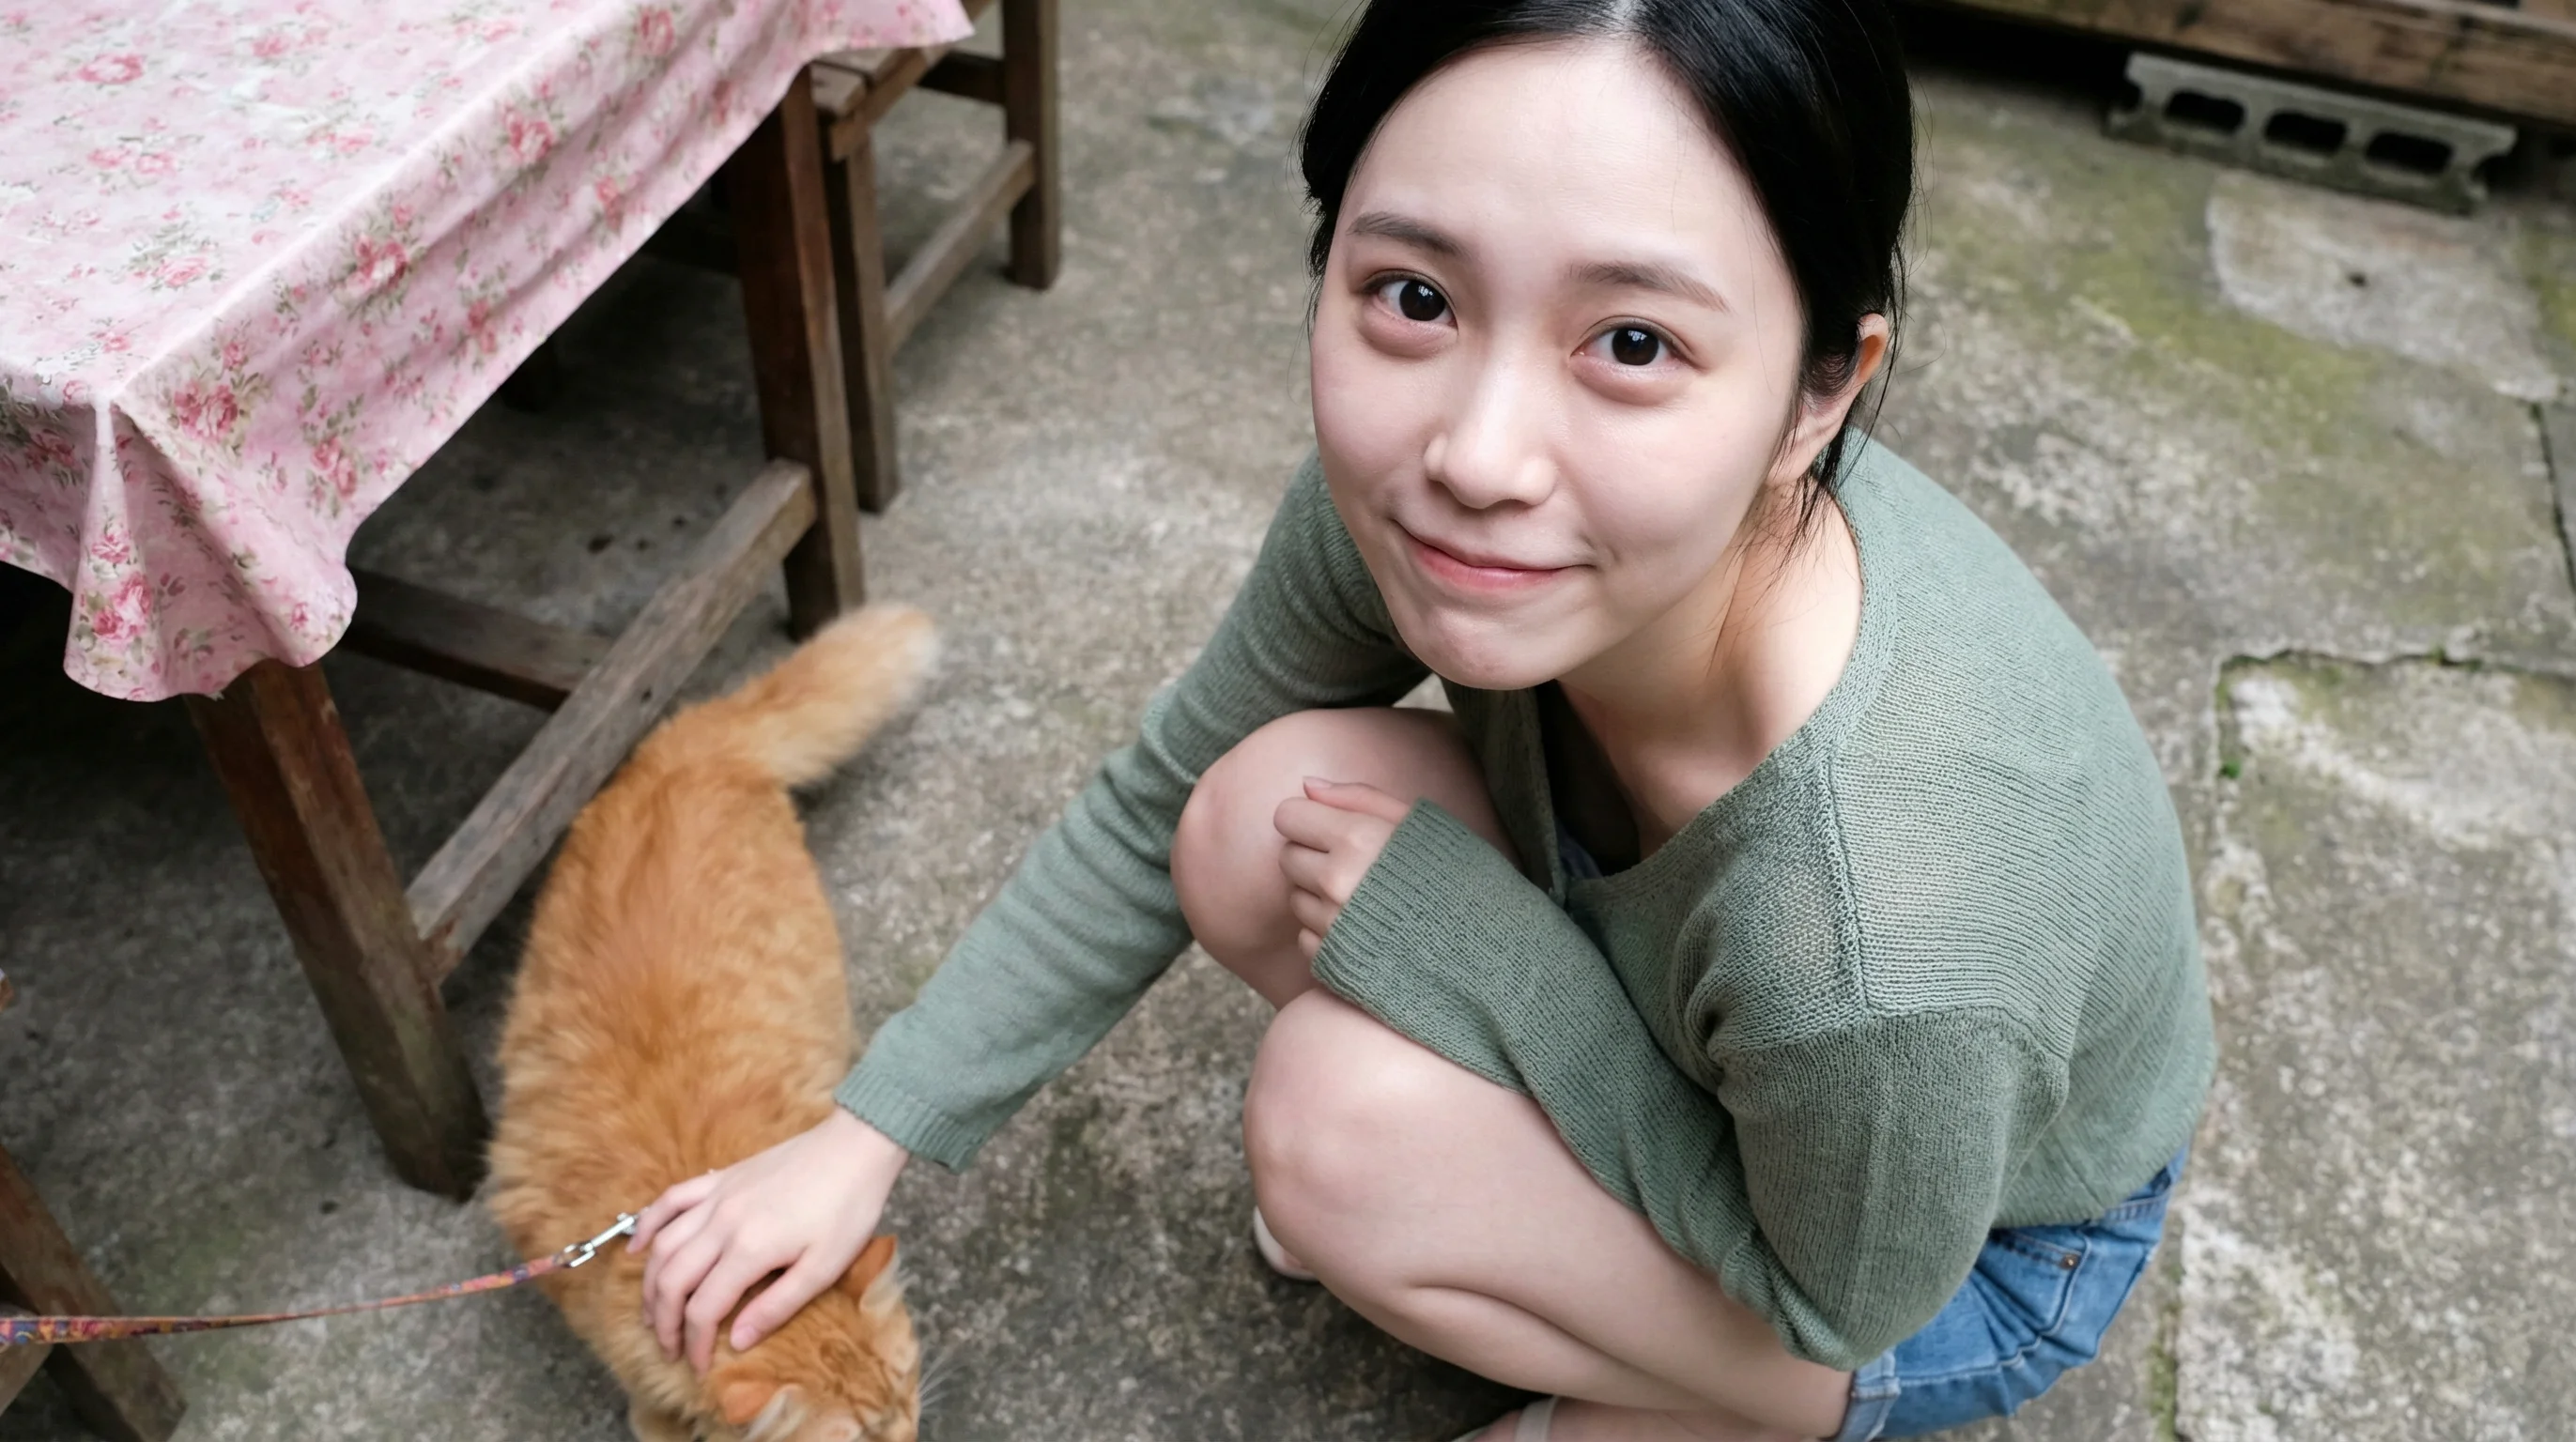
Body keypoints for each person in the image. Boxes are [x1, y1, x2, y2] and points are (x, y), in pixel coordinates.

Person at [626, 1, 2215, 1436]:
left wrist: (1491, 964)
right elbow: (1159, 789)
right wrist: (864, 1137)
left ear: (1821, 393)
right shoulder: (1426, 515)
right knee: (1253, 814)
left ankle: (1629, 1379)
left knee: (1340, 1139)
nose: (1476, 452)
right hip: (1736, 1046)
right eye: (1413, 294)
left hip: (1955, 1258)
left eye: (1635, 343)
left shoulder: (1881, 945)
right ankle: (1511, 1256)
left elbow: (1840, 1299)